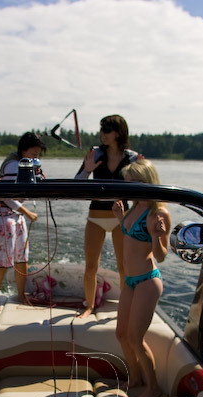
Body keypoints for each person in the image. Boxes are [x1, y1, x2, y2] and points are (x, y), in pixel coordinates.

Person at [112, 159, 171, 397]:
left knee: (135, 338)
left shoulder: (159, 213)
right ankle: (135, 379)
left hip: (147, 281)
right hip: (130, 281)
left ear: (147, 181)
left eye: (133, 182)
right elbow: (131, 238)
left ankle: (153, 388)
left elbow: (161, 255)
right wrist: (120, 218)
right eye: (127, 182)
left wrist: (156, 236)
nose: (129, 187)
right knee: (121, 334)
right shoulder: (134, 206)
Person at [74, 115, 140, 318]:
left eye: (107, 130)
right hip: (96, 217)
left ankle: (126, 306)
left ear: (119, 133)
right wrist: (87, 170)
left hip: (122, 219)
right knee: (90, 266)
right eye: (101, 130)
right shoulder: (95, 153)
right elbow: (76, 184)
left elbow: (143, 188)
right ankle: (89, 306)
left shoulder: (133, 158)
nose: (102, 134)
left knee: (124, 267)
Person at [0, 132, 45, 310]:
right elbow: (6, 196)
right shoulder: (13, 165)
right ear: (24, 150)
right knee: (4, 261)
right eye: (33, 154)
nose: (35, 158)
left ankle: (21, 295)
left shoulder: (24, 164)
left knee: (22, 259)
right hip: (3, 214)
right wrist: (27, 212)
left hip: (16, 215)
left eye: (37, 155)